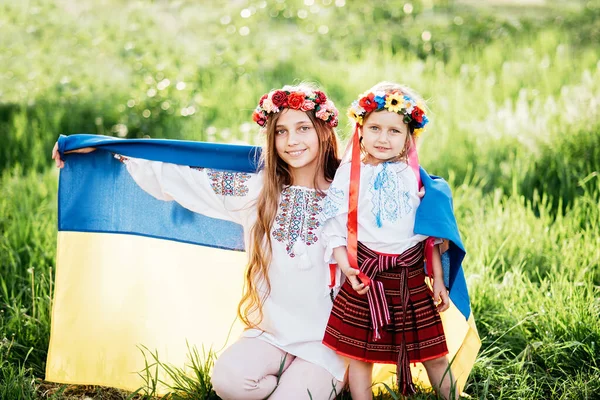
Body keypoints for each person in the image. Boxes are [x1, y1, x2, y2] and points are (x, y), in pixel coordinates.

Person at [52, 84, 352, 399]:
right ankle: (289, 377)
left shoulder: (348, 195)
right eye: (281, 132)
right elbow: (182, 174)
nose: (292, 141)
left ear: (323, 130)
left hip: (328, 341)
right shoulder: (257, 191)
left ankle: (313, 379)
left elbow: (397, 215)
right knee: (228, 382)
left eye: (303, 128)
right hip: (273, 334)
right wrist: (101, 148)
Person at [319, 82, 458, 399]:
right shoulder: (351, 172)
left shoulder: (415, 177)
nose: (383, 138)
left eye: (394, 131)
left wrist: (437, 279)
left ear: (410, 136)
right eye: (375, 128)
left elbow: (428, 236)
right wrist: (346, 267)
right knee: (359, 355)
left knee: (434, 354)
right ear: (361, 129)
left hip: (409, 278)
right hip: (367, 277)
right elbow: (334, 227)